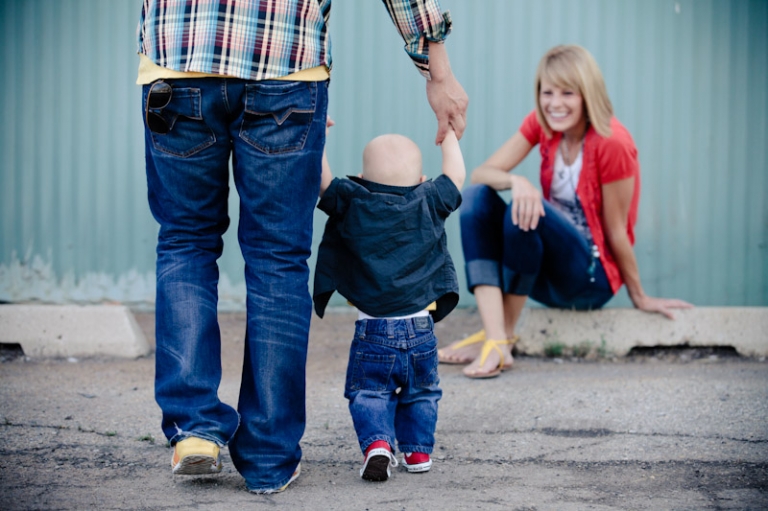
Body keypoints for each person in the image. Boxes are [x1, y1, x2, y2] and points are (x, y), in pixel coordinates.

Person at [137, 0, 467, 494]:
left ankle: (195, 430)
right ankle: (269, 457)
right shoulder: (428, 196)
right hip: (284, 67)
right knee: (276, 258)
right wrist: (437, 70)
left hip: (178, 60)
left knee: (186, 242)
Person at [438, 45, 692, 379]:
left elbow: (618, 229)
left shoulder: (613, 143)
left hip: (590, 278)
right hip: (543, 271)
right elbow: (482, 174)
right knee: (476, 197)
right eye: (547, 92)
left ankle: (501, 338)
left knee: (525, 210)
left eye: (567, 93)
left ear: (588, 93)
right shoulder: (542, 125)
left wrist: (639, 296)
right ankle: (496, 336)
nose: (555, 104)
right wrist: (517, 181)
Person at [313, 125, 465, 481]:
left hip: (373, 331)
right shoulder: (430, 199)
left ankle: (378, 445)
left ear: (363, 178)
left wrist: (318, 134)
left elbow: (322, 181)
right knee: (421, 393)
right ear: (423, 178)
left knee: (369, 392)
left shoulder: (353, 200)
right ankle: (417, 452)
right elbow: (456, 175)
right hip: (421, 332)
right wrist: (449, 134)